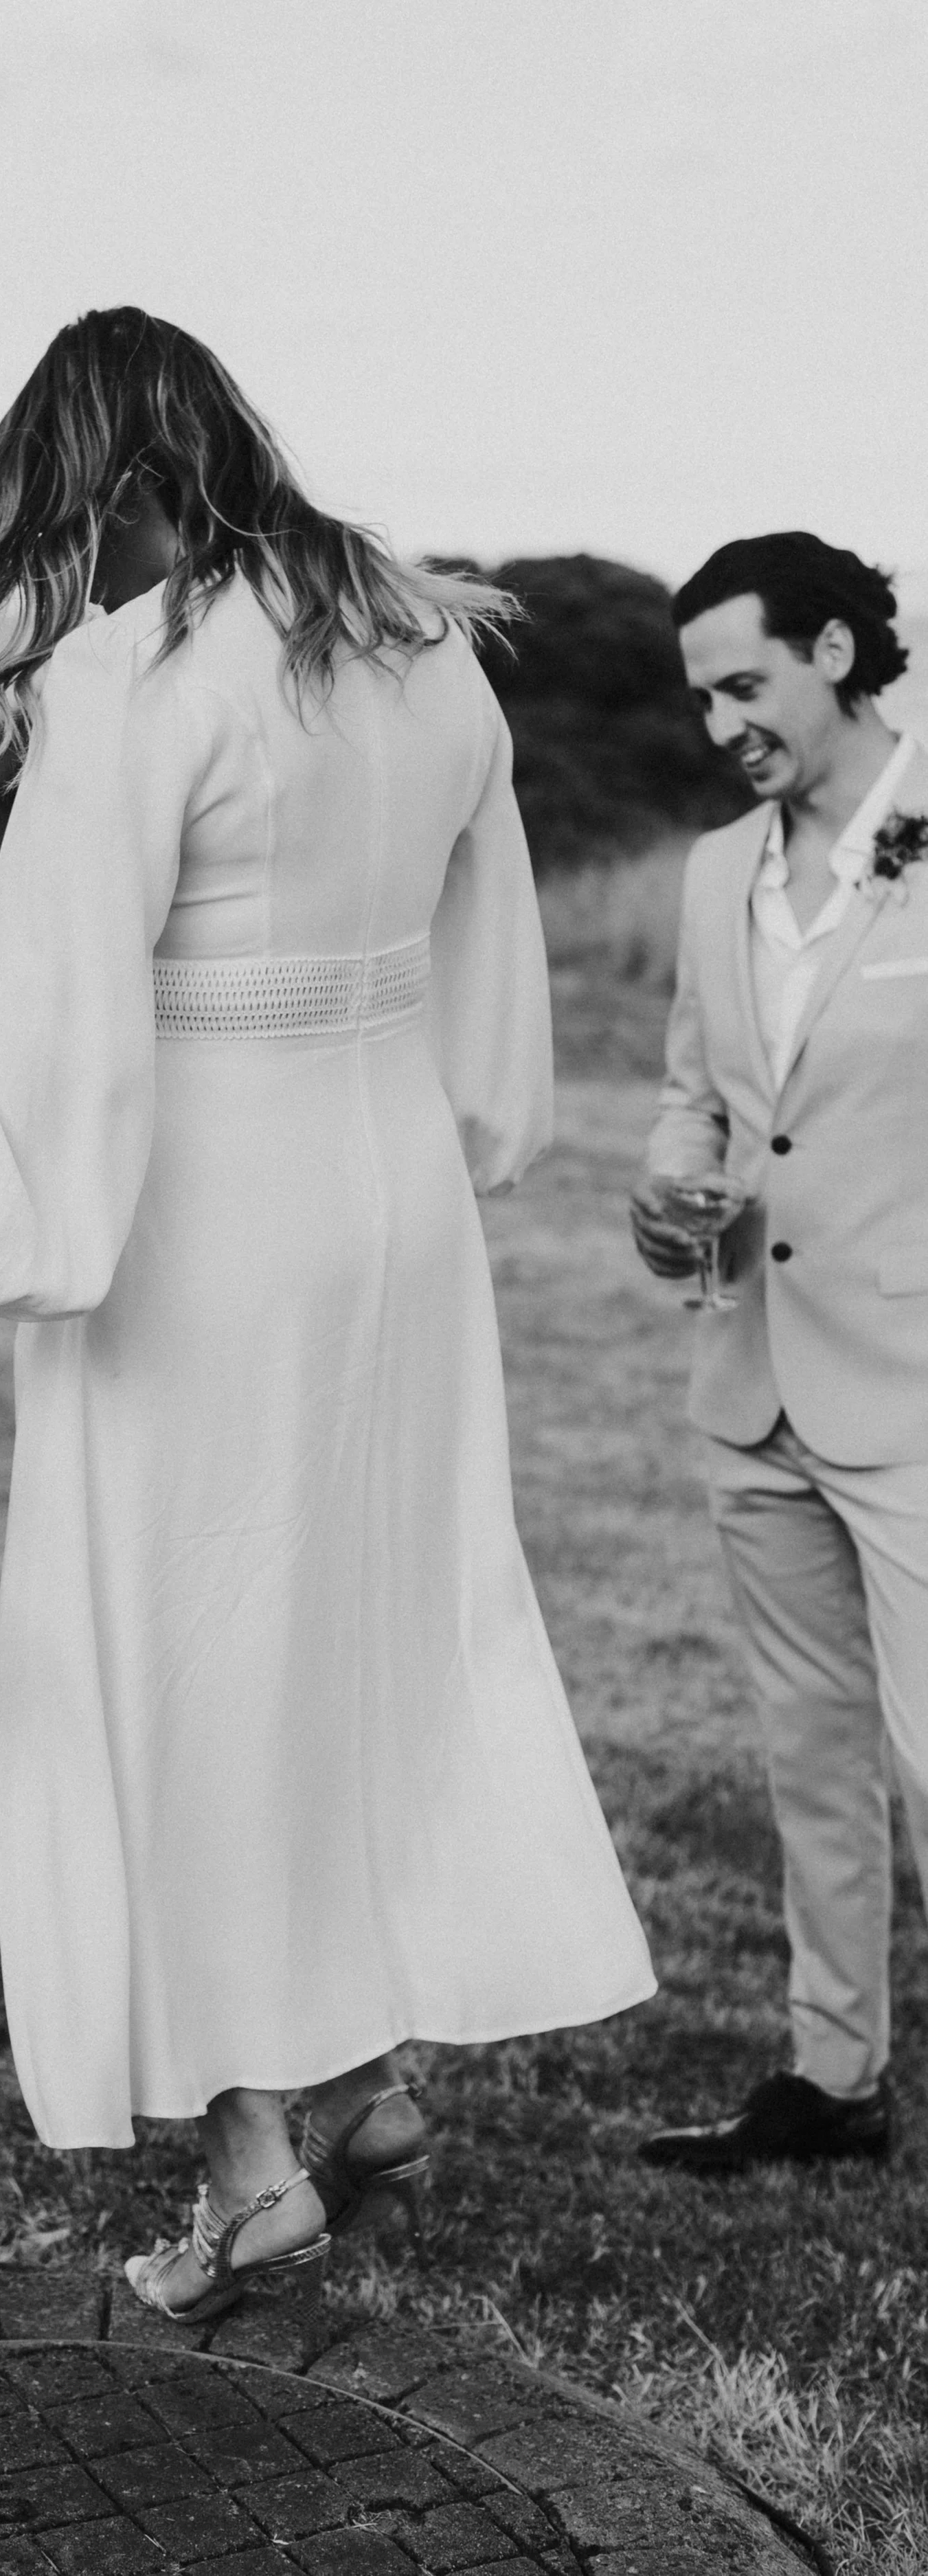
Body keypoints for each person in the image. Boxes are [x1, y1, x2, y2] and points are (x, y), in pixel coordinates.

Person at [0, 307, 655, 2321]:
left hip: (203, 1228)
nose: (54, 577)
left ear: (104, 486)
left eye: (51, 525)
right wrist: (443, 1130)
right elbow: (489, 953)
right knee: (349, 1632)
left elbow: (37, 1038)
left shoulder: (134, 675)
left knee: (168, 1667)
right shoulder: (421, 643)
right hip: (390, 1218)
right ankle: (359, 2071)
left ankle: (252, 2154)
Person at [631, 533, 927, 2174]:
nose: (719, 725)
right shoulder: (707, 873)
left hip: (913, 1384)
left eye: (742, 685)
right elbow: (699, 1087)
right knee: (810, 1754)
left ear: (831, 649)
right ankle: (832, 2081)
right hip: (750, 1383)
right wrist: (664, 1187)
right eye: (699, 700)